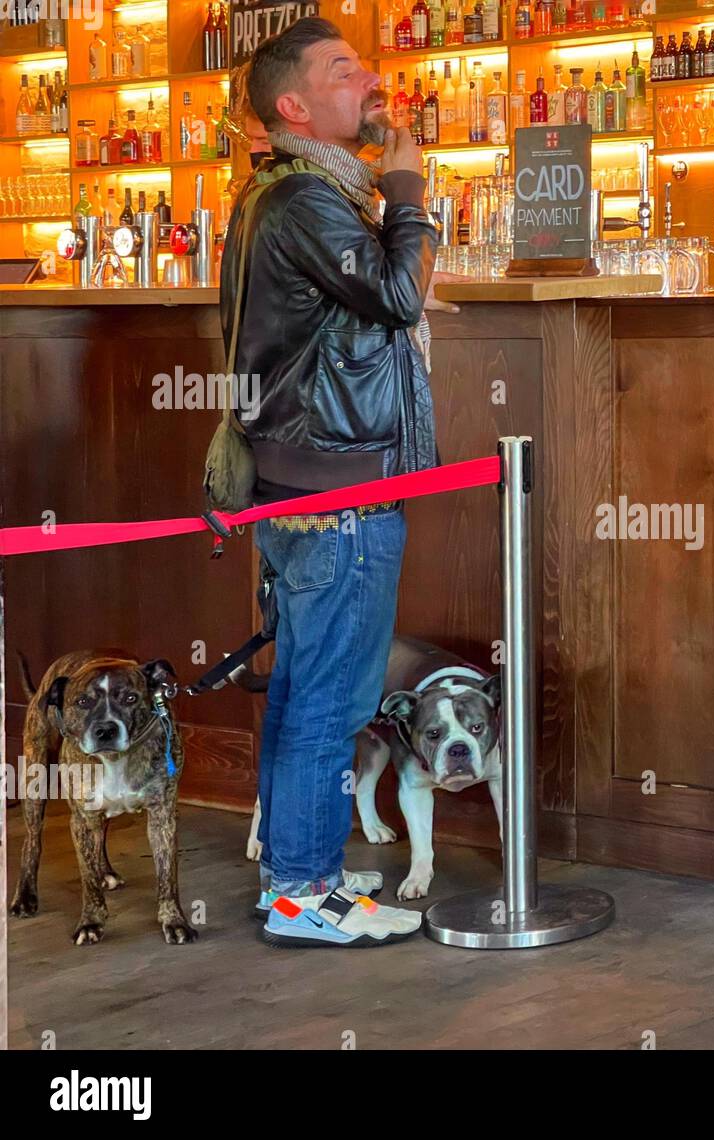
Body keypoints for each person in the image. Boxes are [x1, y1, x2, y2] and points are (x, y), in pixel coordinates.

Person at [220, 17, 456, 947]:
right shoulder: (308, 205)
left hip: (301, 482)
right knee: (332, 696)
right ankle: (307, 891)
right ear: (293, 105)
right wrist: (408, 190)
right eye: (342, 69)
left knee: (300, 690)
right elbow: (399, 296)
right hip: (342, 488)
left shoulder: (281, 196)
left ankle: (292, 873)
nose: (368, 79)